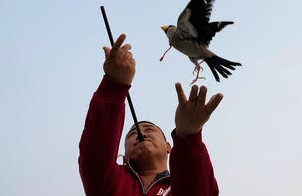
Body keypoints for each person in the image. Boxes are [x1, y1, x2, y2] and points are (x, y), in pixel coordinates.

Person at [78, 34, 224, 195]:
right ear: (124, 156)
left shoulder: (179, 184)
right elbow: (96, 153)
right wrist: (114, 85)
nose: (141, 133)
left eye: (149, 129)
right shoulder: (110, 181)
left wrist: (189, 137)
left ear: (168, 147)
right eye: (131, 134)